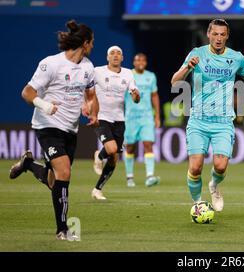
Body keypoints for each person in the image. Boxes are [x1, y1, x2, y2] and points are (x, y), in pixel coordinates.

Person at [170, 18, 244, 212]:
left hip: (223, 121)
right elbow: (175, 82)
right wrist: (187, 68)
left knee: (220, 166)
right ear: (208, 34)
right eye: (215, 34)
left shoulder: (237, 58)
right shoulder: (196, 54)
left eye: (222, 34)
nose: (218, 38)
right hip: (199, 120)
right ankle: (198, 204)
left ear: (227, 36)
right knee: (195, 168)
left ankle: (214, 186)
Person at [9, 20, 98, 241]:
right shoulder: (51, 64)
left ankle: (28, 164)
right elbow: (27, 92)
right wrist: (45, 105)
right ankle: (63, 229)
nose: (93, 46)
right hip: (47, 126)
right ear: (85, 43)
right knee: (64, 172)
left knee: (54, 180)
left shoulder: (88, 67)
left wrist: (91, 110)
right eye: (92, 42)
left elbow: (90, 96)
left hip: (70, 128)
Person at [91, 46, 140, 200]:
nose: (115, 55)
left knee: (113, 158)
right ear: (107, 57)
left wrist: (136, 96)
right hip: (102, 117)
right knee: (111, 149)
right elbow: (86, 88)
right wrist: (86, 106)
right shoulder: (97, 71)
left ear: (122, 57)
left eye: (119, 53)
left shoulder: (127, 73)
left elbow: (135, 96)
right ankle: (99, 155)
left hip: (119, 120)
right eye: (112, 53)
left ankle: (97, 189)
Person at [124, 53, 161, 188]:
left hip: (146, 116)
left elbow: (154, 96)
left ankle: (150, 176)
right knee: (130, 147)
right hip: (131, 117)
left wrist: (157, 116)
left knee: (148, 144)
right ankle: (129, 177)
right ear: (133, 62)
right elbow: (121, 97)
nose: (140, 62)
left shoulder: (150, 76)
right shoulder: (128, 75)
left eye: (143, 60)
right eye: (137, 59)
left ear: (146, 62)